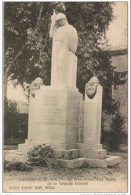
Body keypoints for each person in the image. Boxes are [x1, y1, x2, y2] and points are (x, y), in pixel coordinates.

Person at [49, 12, 78, 87]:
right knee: (55, 65)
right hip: (56, 46)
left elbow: (74, 42)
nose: (59, 22)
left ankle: (62, 82)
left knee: (60, 63)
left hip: (63, 47)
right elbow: (51, 35)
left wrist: (71, 50)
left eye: (60, 20)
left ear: (65, 19)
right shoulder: (58, 29)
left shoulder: (71, 28)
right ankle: (56, 83)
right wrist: (53, 23)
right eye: (58, 21)